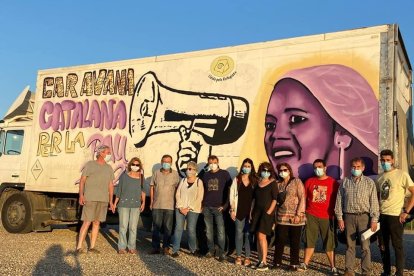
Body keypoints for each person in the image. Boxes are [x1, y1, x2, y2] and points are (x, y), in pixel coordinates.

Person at [264, 64, 379, 180]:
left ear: (342, 134)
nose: (276, 134)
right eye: (270, 125)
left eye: (296, 119)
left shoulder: (368, 184)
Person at [335, 157, 380, 276]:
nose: (356, 169)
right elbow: (339, 200)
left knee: (365, 247)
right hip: (348, 217)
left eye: (358, 167)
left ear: (363, 168)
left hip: (364, 218)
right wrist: (340, 218)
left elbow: (374, 202)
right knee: (350, 246)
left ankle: (366, 271)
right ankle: (349, 270)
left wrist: (374, 219)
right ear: (350, 168)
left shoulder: (369, 182)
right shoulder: (345, 182)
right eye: (354, 167)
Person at [376, 149, 414, 276]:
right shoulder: (380, 177)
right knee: (382, 245)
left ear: (393, 160)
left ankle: (399, 273)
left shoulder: (402, 174)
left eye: (388, 160)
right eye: (383, 160)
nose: (385, 162)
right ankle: (386, 271)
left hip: (395, 216)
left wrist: (406, 211)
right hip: (382, 216)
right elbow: (378, 196)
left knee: (397, 246)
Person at [300, 159, 340, 275]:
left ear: (325, 168)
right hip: (311, 215)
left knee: (329, 242)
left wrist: (337, 216)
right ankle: (305, 263)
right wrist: (303, 213)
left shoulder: (333, 183)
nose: (318, 169)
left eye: (320, 166)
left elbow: (338, 200)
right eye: (315, 167)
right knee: (309, 240)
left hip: (327, 216)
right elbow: (304, 198)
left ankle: (333, 267)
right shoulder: (309, 181)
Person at [76, 144, 115, 254]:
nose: (109, 155)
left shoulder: (109, 168)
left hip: (103, 199)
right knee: (87, 222)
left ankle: (92, 247)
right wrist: (81, 195)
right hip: (90, 198)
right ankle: (79, 247)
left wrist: (111, 201)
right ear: (101, 153)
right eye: (108, 153)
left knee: (97, 222)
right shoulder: (90, 165)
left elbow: (110, 185)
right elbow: (82, 181)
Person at [273, 162, 305, 271]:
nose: (282, 172)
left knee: (294, 241)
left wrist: (299, 214)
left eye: (285, 170)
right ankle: (277, 262)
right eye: (280, 170)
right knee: (280, 239)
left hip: (295, 217)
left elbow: (302, 198)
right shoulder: (278, 184)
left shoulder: (297, 182)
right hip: (282, 217)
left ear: (289, 170)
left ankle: (294, 264)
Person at [201, 155, 232, 262]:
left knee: (220, 231)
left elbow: (230, 190)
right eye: (210, 163)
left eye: (214, 162)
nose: (212, 164)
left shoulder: (225, 174)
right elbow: (202, 190)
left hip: (219, 208)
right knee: (209, 231)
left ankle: (222, 253)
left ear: (218, 162)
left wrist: (225, 205)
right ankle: (211, 250)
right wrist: (202, 205)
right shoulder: (205, 175)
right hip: (207, 207)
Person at [171, 161, 204, 257]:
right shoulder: (183, 180)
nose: (188, 171)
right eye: (187, 169)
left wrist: (188, 208)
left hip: (193, 209)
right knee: (178, 228)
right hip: (180, 208)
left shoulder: (199, 182)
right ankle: (175, 250)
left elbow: (199, 198)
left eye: (190, 169)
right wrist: (181, 207)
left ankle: (193, 249)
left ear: (195, 170)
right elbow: (178, 194)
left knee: (191, 229)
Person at [150, 154, 180, 255]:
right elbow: (152, 187)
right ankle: (155, 247)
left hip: (170, 206)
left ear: (171, 163)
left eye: (168, 162)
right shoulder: (156, 173)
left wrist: (177, 203)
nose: (166, 163)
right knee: (156, 228)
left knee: (168, 228)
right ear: (161, 162)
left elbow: (177, 189)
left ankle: (166, 247)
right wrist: (151, 202)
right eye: (164, 161)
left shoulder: (175, 174)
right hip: (157, 205)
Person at [114, 157, 146, 254]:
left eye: (137, 165)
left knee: (133, 227)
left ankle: (132, 247)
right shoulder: (124, 176)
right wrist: (115, 203)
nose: (135, 166)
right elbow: (119, 190)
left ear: (139, 166)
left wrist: (143, 202)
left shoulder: (141, 177)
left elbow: (143, 191)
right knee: (123, 226)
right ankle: (122, 247)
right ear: (130, 165)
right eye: (133, 164)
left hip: (136, 205)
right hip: (123, 204)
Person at [229, 158, 257, 267]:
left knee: (248, 234)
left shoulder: (255, 180)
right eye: (245, 166)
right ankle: (239, 256)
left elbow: (257, 197)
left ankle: (248, 257)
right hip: (239, 211)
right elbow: (232, 195)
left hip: (250, 212)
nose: (246, 168)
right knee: (239, 233)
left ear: (251, 168)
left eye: (248, 166)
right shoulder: (237, 179)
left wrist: (254, 212)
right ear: (242, 167)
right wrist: (232, 210)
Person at [250, 162, 278, 271]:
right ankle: (259, 260)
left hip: (266, 214)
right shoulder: (258, 183)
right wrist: (251, 212)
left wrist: (269, 212)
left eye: (268, 171)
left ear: (270, 172)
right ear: (260, 171)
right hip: (256, 212)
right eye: (264, 170)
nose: (265, 172)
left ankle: (264, 262)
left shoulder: (272, 183)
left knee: (262, 236)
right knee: (258, 236)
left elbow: (275, 199)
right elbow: (254, 199)